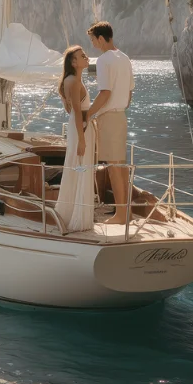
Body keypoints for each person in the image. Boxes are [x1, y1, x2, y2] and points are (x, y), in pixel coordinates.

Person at [86, 21, 134, 225]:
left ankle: (121, 216)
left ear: (100, 38)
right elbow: (129, 94)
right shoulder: (124, 58)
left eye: (93, 40)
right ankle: (126, 212)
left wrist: (88, 114)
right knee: (120, 166)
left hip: (109, 118)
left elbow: (104, 93)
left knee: (114, 168)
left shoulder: (103, 60)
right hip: (121, 116)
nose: (93, 44)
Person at [55, 45, 96, 233]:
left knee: (78, 166)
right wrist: (82, 139)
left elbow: (72, 110)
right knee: (80, 166)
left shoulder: (73, 80)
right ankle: (76, 217)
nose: (86, 57)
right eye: (82, 56)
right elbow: (77, 112)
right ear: (73, 62)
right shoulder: (73, 81)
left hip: (80, 127)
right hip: (81, 129)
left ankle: (73, 212)